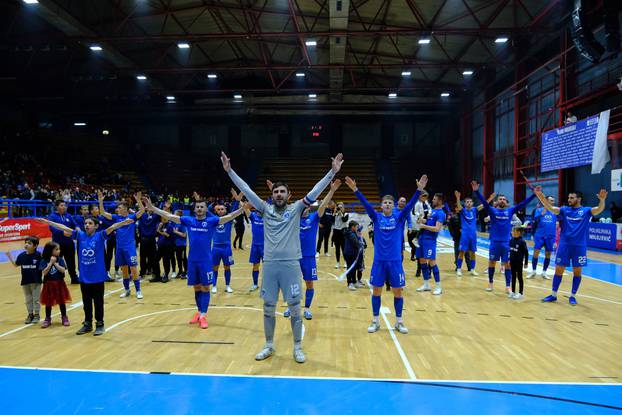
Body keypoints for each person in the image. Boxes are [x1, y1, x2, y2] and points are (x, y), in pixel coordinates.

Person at [222, 151, 343, 363]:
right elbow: (246, 190)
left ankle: (297, 347)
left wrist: (332, 173)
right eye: (276, 191)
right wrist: (230, 171)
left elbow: (315, 191)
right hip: (269, 266)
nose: (278, 194)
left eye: (282, 191)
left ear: (289, 195)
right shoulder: (264, 209)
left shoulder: (296, 209)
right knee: (268, 308)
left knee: (295, 308)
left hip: (290, 266)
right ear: (272, 194)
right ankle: (269, 345)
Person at [142, 196, 247, 329]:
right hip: (192, 261)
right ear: (194, 208)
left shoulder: (211, 221)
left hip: (206, 261)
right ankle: (199, 312)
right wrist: (153, 209)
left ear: (205, 209)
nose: (199, 209)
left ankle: (203, 315)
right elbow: (168, 215)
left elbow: (229, 216)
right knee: (196, 287)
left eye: (202, 207)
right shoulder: (188, 220)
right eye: (197, 207)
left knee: (205, 287)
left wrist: (241, 209)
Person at [345, 174, 427, 334]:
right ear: (381, 206)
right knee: (376, 291)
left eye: (390, 202)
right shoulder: (376, 217)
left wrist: (419, 190)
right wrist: (355, 190)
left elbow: (409, 205)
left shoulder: (399, 217)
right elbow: (365, 204)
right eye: (385, 203)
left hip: (395, 262)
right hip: (379, 262)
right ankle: (375, 321)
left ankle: (399, 321)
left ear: (394, 205)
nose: (388, 204)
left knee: (398, 291)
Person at [39, 216, 133, 335]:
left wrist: (124, 222)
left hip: (97, 277)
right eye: (85, 223)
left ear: (96, 226)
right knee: (86, 303)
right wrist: (48, 222)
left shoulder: (100, 235)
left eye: (90, 223)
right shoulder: (80, 235)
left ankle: (100, 324)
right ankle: (87, 324)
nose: (87, 225)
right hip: (84, 277)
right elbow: (64, 228)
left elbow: (112, 227)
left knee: (98, 303)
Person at [536, 189, 607, 305]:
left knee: (577, 272)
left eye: (572, 198)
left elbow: (598, 209)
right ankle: (553, 295)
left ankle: (573, 296)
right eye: (569, 198)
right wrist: (542, 198)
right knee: (558, 270)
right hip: (564, 245)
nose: (569, 200)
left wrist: (602, 200)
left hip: (579, 246)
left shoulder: (586, 211)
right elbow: (551, 209)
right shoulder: (564, 210)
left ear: (578, 199)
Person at [283, 179, 340, 319]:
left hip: (308, 257)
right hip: (294, 257)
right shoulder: (292, 219)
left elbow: (324, 205)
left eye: (306, 208)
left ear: (309, 208)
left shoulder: (314, 218)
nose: (304, 210)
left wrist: (331, 190)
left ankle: (307, 309)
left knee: (309, 283)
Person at [472, 181, 537, 293]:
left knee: (507, 264)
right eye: (500, 199)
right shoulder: (492, 211)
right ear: (496, 202)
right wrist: (477, 191)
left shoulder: (510, 211)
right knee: (491, 262)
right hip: (494, 242)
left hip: (507, 243)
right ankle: (490, 283)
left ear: (507, 202)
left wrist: (534, 194)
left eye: (504, 199)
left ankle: (508, 286)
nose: (502, 200)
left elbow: (523, 203)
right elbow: (484, 202)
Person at [98, 191, 145, 299]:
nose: (117, 209)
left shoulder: (132, 216)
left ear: (125, 208)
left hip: (130, 247)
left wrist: (138, 200)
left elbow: (142, 210)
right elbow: (103, 213)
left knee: (133, 269)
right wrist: (100, 201)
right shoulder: (116, 218)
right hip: (119, 247)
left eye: (119, 208)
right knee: (124, 269)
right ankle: (127, 290)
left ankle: (138, 290)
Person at [211, 189, 243, 293]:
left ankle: (228, 285)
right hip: (216, 247)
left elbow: (234, 211)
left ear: (225, 210)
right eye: (218, 209)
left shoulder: (229, 219)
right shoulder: (214, 220)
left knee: (227, 267)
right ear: (216, 211)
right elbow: (206, 211)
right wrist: (198, 200)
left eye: (222, 209)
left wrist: (237, 200)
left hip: (226, 248)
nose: (220, 211)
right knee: (214, 267)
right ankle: (214, 285)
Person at [6, 236, 42, 324]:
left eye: (29, 243)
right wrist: (9, 256)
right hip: (25, 281)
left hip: (36, 281)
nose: (26, 244)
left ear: (35, 245)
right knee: (28, 299)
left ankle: (37, 314)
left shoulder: (39, 255)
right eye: (26, 243)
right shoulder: (21, 256)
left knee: (36, 299)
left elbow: (44, 264)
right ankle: (30, 315)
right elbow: (15, 265)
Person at [415, 193, 446, 295]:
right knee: (422, 261)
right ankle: (426, 284)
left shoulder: (441, 213)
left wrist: (423, 226)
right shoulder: (432, 211)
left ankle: (438, 287)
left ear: (440, 201)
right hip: (422, 238)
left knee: (432, 262)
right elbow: (428, 222)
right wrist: (421, 220)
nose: (432, 200)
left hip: (430, 240)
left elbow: (437, 229)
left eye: (434, 199)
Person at [38, 241, 71, 328]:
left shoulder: (60, 259)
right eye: (56, 249)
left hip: (59, 283)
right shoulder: (44, 260)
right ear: (50, 251)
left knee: (61, 301)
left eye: (59, 249)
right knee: (48, 303)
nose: (59, 251)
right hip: (48, 284)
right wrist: (50, 263)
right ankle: (47, 318)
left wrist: (55, 263)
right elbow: (44, 273)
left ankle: (64, 317)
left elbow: (63, 270)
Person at [48, 200, 78, 284]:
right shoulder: (52, 216)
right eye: (61, 205)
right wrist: (62, 232)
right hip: (57, 245)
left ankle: (74, 278)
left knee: (71, 261)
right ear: (57, 207)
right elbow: (52, 228)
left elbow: (75, 224)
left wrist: (77, 229)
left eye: (65, 205)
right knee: (57, 261)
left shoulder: (68, 215)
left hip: (69, 243)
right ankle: (58, 278)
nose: (64, 207)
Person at [528, 195, 557, 279]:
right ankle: (533, 271)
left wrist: (555, 240)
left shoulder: (555, 211)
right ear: (546, 201)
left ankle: (544, 272)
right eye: (551, 200)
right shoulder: (538, 210)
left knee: (548, 254)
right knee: (536, 253)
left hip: (550, 236)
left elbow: (559, 222)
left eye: (553, 200)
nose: (553, 202)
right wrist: (542, 213)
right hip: (540, 235)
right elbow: (534, 220)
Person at [138, 209, 160, 279]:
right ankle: (142, 273)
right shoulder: (142, 214)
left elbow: (161, 213)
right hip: (143, 239)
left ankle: (153, 272)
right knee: (143, 257)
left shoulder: (155, 215)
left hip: (152, 239)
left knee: (153, 257)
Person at [509, 226, 529, 300]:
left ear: (519, 233)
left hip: (519, 262)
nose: (512, 233)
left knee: (519, 277)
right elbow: (510, 251)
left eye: (514, 231)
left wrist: (526, 263)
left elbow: (526, 253)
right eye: (512, 231)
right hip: (512, 261)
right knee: (513, 276)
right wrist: (508, 259)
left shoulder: (522, 242)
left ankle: (520, 293)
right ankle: (513, 291)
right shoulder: (511, 240)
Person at [248, 207, 264, 291]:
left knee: (267, 267)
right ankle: (255, 284)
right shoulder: (253, 216)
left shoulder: (268, 217)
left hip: (266, 246)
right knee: (255, 266)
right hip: (255, 246)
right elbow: (245, 209)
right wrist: (239, 199)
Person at [344, 220, 363, 290]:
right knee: (350, 268)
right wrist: (361, 244)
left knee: (354, 268)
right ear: (353, 227)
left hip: (353, 253)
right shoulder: (350, 234)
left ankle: (354, 282)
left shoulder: (352, 232)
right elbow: (355, 243)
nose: (357, 228)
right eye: (356, 227)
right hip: (349, 254)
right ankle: (349, 283)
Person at [332, 202, 349, 269]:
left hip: (343, 232)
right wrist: (334, 212)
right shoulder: (335, 214)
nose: (340, 209)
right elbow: (332, 221)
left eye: (341, 207)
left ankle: (345, 262)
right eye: (338, 207)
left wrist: (341, 214)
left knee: (344, 248)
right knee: (337, 248)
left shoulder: (346, 214)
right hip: (336, 232)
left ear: (343, 208)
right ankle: (338, 262)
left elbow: (344, 220)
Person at [172, 209, 188, 279]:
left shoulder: (182, 223)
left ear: (178, 214)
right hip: (176, 244)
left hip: (182, 245)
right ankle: (180, 271)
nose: (173, 214)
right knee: (178, 258)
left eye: (175, 213)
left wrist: (176, 232)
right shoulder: (175, 223)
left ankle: (186, 272)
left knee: (183, 258)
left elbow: (185, 235)